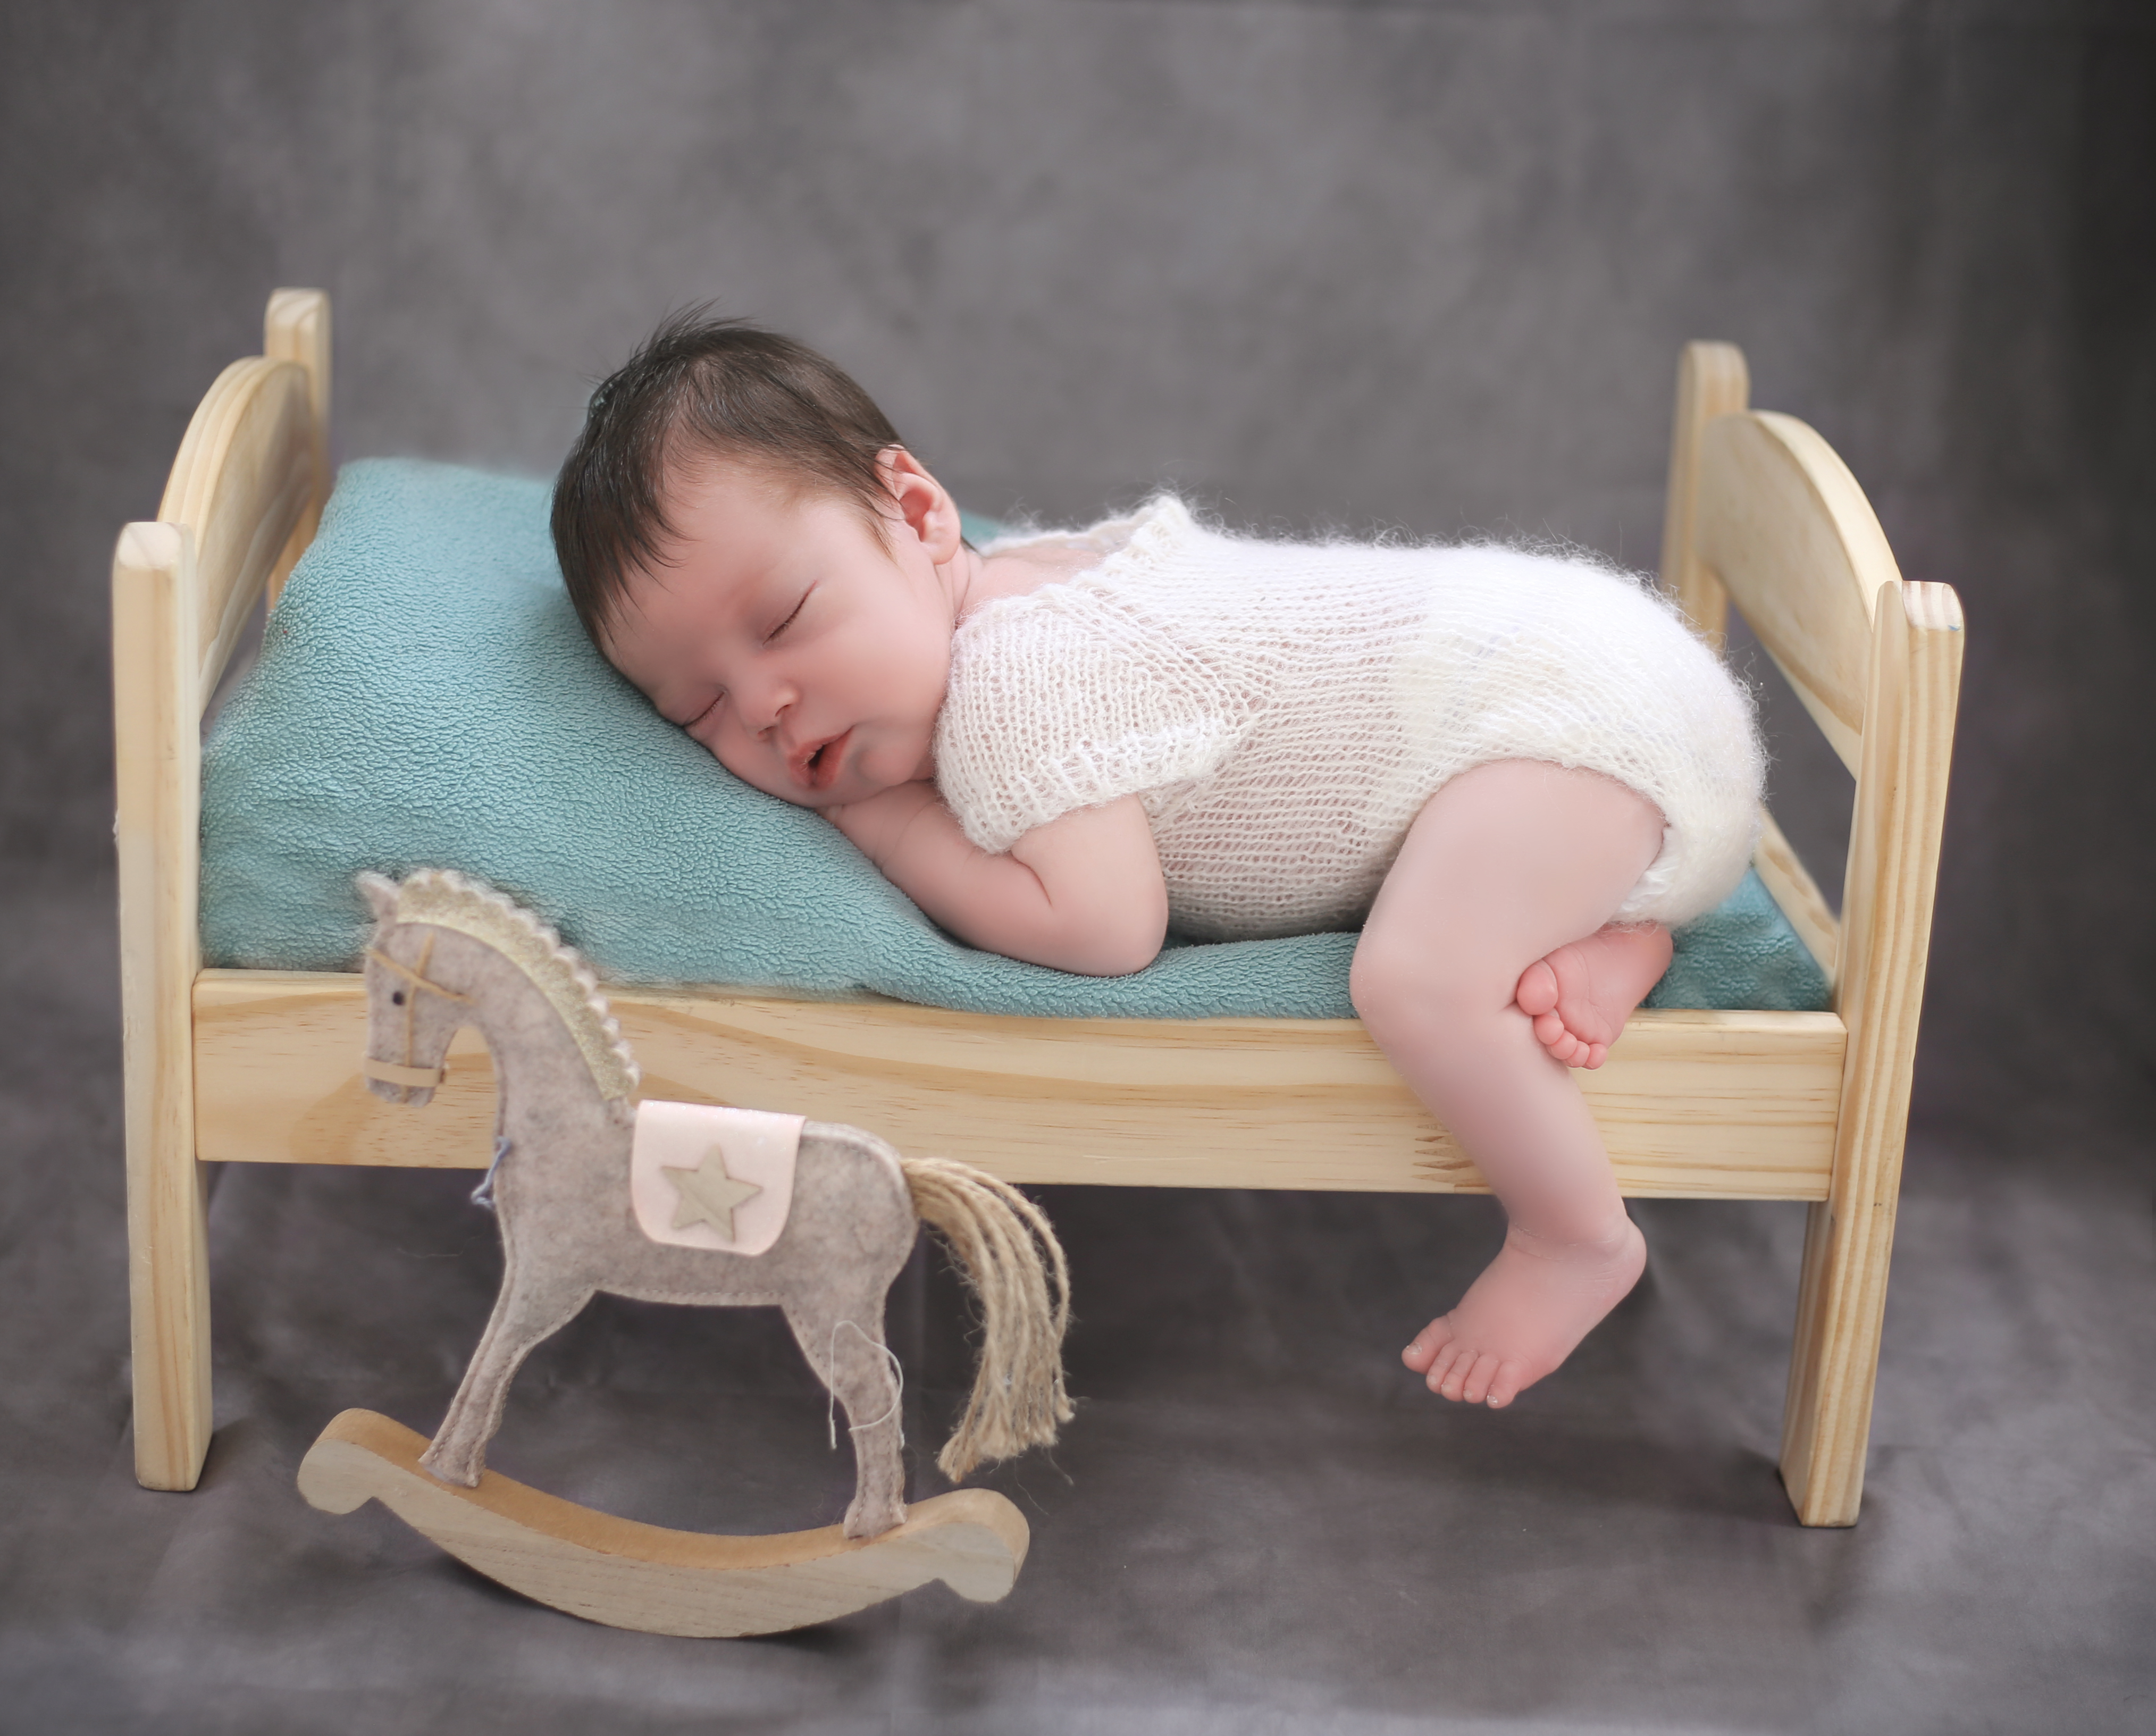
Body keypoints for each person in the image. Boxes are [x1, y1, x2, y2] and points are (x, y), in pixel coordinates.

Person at [551, 312, 1763, 1411]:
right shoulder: (1021, 579)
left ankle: (1574, 1236)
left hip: (1577, 722)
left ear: (916, 514)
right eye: (699, 710)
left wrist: (886, 825)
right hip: (1630, 718)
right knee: (1471, 893)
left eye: (783, 620)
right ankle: (1615, 927)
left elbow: (1101, 929)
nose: (762, 705)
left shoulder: (1020, 673)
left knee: (1415, 980)